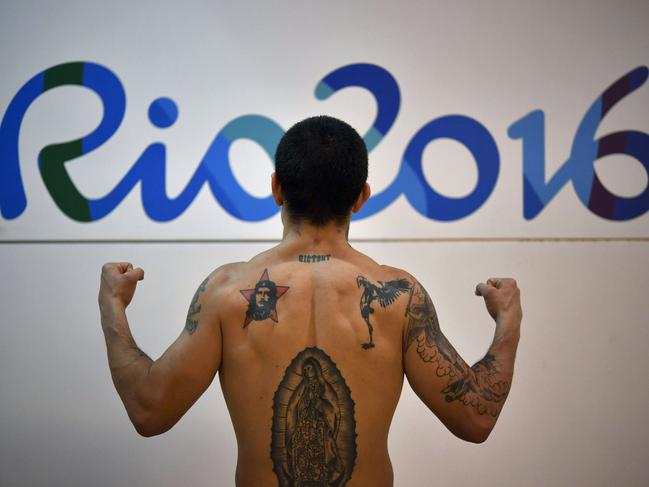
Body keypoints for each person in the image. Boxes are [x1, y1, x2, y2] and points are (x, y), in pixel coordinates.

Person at [98, 116, 522, 486]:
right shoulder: (400, 297)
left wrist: (113, 305)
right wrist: (508, 319)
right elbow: (476, 417)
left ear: (276, 188)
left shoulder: (225, 293)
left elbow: (148, 409)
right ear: (362, 196)